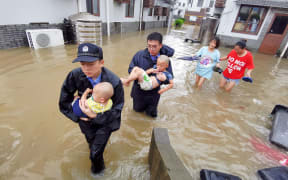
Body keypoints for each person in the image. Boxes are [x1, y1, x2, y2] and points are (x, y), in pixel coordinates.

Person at [59, 43, 124, 177]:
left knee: (95, 154)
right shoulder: (75, 75)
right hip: (85, 121)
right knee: (91, 143)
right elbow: (64, 101)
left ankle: (98, 172)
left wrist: (95, 115)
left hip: (106, 121)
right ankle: (96, 149)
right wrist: (77, 117)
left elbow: (117, 109)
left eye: (91, 64)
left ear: (101, 62)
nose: (86, 68)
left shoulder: (114, 81)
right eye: (82, 64)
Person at [128, 32, 174, 117]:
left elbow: (170, 77)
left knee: (151, 116)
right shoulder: (139, 55)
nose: (151, 49)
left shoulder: (165, 60)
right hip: (139, 93)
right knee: (137, 115)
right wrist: (140, 76)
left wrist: (164, 79)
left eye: (154, 46)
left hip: (154, 95)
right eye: (149, 45)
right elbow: (130, 70)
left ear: (161, 45)